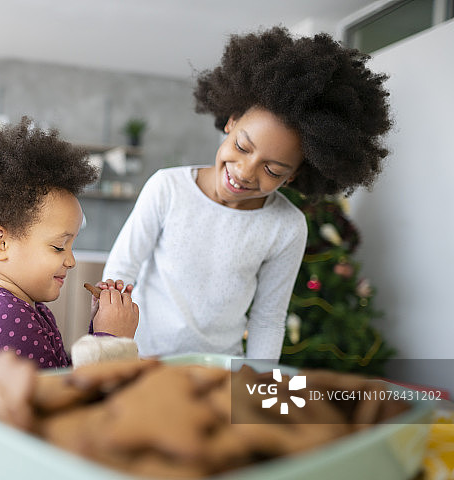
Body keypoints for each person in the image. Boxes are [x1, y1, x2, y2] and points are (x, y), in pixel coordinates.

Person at [101, 26, 392, 360]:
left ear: (295, 174)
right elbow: (120, 273)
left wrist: (255, 386)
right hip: (145, 361)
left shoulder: (287, 226)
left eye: (273, 170)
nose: (243, 171)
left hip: (222, 374)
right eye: (241, 146)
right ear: (231, 121)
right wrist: (111, 352)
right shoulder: (167, 188)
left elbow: (268, 320)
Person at [0, 117, 139, 368]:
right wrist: (112, 341)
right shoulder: (4, 315)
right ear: (0, 243)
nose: (71, 261)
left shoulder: (24, 305)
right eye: (58, 247)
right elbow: (58, 402)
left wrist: (100, 329)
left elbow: (58, 373)